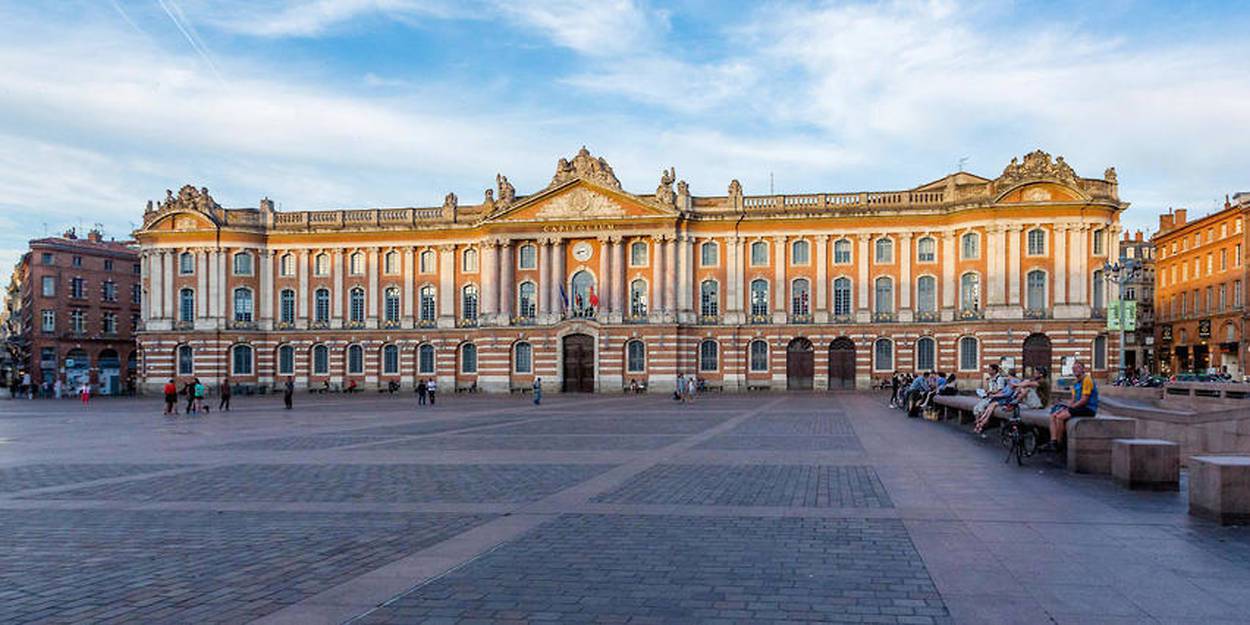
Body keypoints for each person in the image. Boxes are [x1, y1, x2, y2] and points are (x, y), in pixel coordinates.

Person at [1041, 361, 1098, 451]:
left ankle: (1059, 444)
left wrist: (1070, 408)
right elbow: (1073, 399)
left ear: (1083, 369)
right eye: (1074, 368)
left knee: (1060, 417)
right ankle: (1053, 441)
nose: (1075, 370)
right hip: (1079, 407)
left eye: (1078, 367)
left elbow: (1084, 400)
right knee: (1053, 415)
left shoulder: (1087, 380)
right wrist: (1065, 407)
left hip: (1088, 409)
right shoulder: (1076, 383)